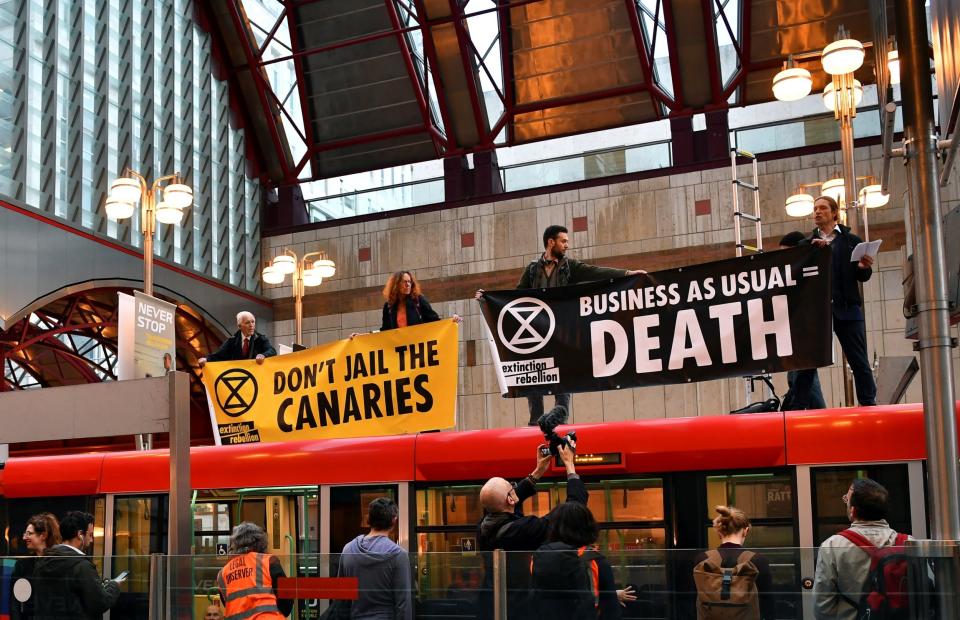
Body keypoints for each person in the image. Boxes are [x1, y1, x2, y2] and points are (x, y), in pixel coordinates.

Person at [475, 224, 646, 426]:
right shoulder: (531, 270)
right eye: (563, 241)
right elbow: (516, 298)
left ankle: (561, 418)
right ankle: (535, 421)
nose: (566, 245)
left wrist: (627, 274)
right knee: (534, 371)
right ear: (551, 242)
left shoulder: (570, 267)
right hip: (537, 330)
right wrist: (488, 299)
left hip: (562, 329)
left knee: (564, 370)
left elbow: (595, 272)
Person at [477, 441, 585, 619]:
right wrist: (569, 465)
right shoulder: (523, 529)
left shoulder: (483, 526)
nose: (515, 488)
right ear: (511, 500)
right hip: (518, 609)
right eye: (511, 487)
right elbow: (571, 513)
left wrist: (538, 470)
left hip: (490, 604)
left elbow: (510, 500)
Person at [807, 196, 877, 406]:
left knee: (859, 360)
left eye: (823, 208)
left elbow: (862, 276)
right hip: (818, 312)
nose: (817, 212)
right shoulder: (807, 244)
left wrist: (865, 266)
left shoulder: (851, 241)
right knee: (807, 362)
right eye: (815, 209)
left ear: (835, 213)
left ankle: (868, 402)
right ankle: (799, 407)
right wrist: (813, 252)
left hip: (847, 308)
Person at [813, 478, 907, 620]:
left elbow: (823, 605)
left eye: (847, 499)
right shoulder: (909, 543)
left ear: (852, 511)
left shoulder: (832, 546)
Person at [530, 502, 636, 620]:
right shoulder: (596, 561)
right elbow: (610, 610)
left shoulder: (538, 558)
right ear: (588, 527)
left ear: (553, 527)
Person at [31, 510, 120, 620]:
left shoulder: (43, 561)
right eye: (90, 535)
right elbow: (99, 603)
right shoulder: (82, 566)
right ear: (80, 535)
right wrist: (114, 585)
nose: (91, 540)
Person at [692, 506, 775, 620]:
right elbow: (768, 602)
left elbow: (692, 597)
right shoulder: (758, 560)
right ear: (746, 531)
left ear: (719, 532)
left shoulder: (703, 559)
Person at [337, 497, 412, 620]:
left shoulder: (348, 550)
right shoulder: (399, 555)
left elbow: (341, 600)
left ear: (368, 519)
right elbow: (403, 604)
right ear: (394, 521)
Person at [778, 231, 827, 411]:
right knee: (800, 378)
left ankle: (803, 413)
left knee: (802, 377)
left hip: (805, 334)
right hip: (795, 335)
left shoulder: (807, 269)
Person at [216, 522, 293, 619]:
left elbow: (227, 603)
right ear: (260, 542)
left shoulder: (222, 574)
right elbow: (287, 601)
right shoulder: (269, 561)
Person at [10, 513, 61, 620]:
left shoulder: (60, 563)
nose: (24, 537)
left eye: (29, 534)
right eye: (25, 534)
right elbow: (15, 603)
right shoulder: (22, 565)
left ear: (43, 535)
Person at [199, 311, 276, 367]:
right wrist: (206, 359)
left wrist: (263, 355)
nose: (251, 325)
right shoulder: (231, 341)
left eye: (253, 322)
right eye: (247, 323)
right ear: (239, 326)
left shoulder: (261, 339)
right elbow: (218, 356)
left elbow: (272, 351)